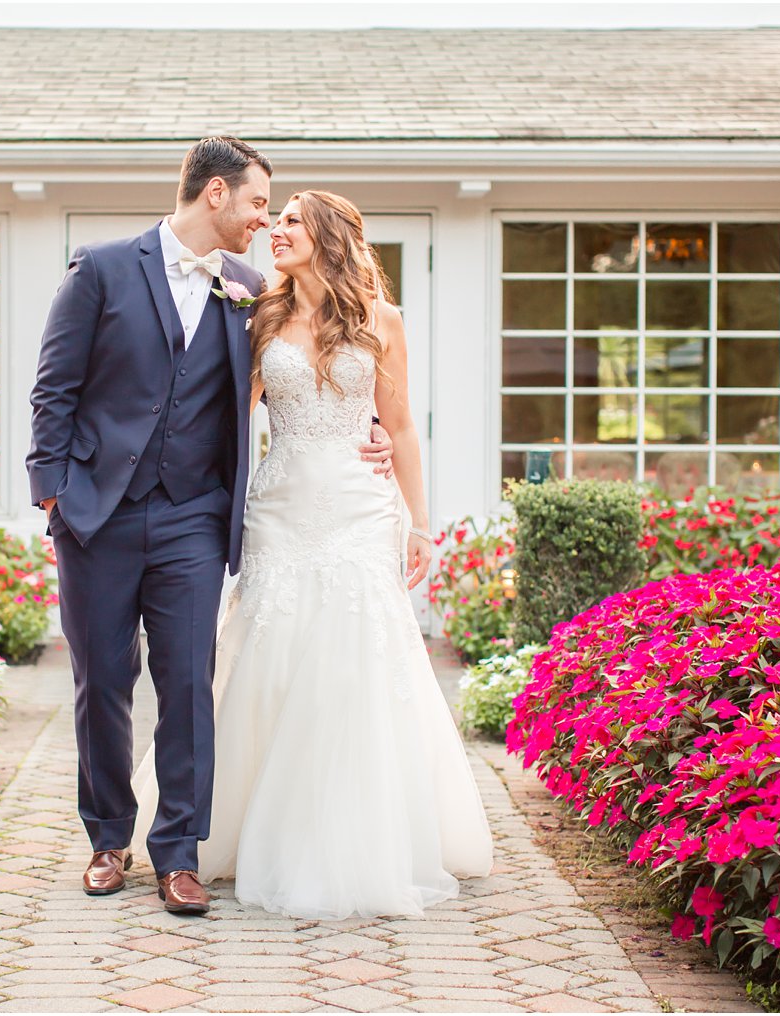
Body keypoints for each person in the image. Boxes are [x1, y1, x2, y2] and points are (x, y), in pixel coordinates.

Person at [26, 138, 395, 916]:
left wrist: (374, 431)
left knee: (191, 682)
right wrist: (53, 493)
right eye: (260, 203)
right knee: (102, 682)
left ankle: (178, 854)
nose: (266, 220)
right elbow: (53, 389)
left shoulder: (253, 291)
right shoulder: (100, 268)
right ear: (218, 194)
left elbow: (307, 371)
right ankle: (106, 839)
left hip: (196, 516)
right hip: (97, 513)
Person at [129, 191, 493, 919]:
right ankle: (237, 823)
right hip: (281, 507)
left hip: (360, 506)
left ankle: (357, 835)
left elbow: (402, 427)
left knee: (355, 655)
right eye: (275, 219)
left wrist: (421, 523)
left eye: (289, 220)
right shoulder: (258, 313)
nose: (273, 231)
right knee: (270, 652)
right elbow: (226, 413)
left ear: (327, 234)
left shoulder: (380, 320)